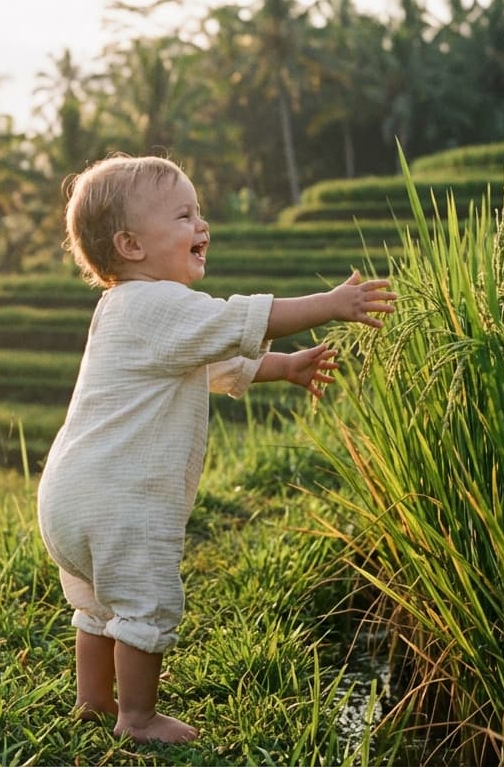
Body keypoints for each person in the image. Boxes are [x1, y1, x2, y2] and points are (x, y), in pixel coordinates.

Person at [36, 154, 397, 744]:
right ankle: (138, 718)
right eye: (183, 215)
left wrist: (282, 369)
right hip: (121, 502)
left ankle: (94, 701)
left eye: (199, 213)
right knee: (145, 602)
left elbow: (214, 361)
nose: (202, 227)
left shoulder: (123, 311)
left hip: (68, 498)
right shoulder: (160, 304)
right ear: (130, 245)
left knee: (101, 606)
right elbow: (239, 322)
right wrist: (329, 304)